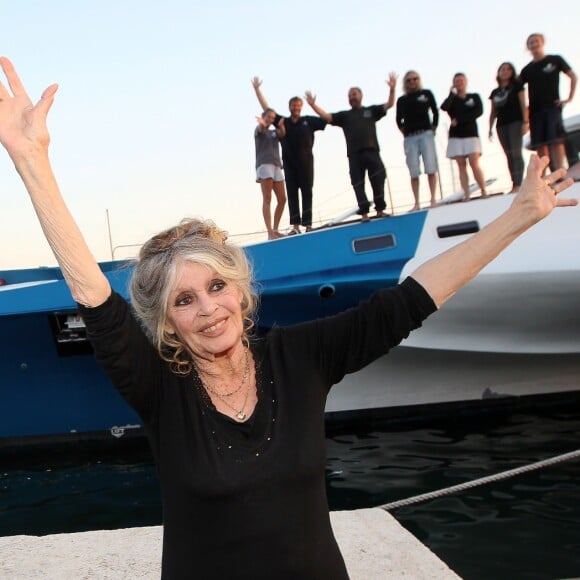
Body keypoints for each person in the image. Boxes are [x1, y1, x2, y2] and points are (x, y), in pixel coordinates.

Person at [0, 57, 576, 579]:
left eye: (217, 286)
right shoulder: (160, 390)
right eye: (184, 300)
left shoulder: (299, 357)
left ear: (241, 291)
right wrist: (32, 163)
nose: (207, 310)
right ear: (166, 322)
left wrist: (518, 216)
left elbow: (411, 300)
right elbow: (96, 300)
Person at [305, 73, 398, 222]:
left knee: (378, 179)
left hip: (372, 151)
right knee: (358, 183)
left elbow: (389, 104)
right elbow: (327, 116)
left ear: (361, 95)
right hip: (354, 155)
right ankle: (364, 213)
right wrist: (313, 105)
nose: (352, 97)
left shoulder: (371, 111)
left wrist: (392, 89)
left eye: (354, 94)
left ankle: (380, 209)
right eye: (350, 95)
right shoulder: (345, 116)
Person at [252, 77, 327, 234]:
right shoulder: (282, 122)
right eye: (293, 105)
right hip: (287, 164)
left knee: (306, 192)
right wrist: (258, 90)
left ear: (301, 107)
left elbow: (326, 120)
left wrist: (313, 105)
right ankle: (294, 226)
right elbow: (267, 111)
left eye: (298, 105)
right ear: (289, 107)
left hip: (305, 162)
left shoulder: (307, 121)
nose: (296, 107)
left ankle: (308, 225)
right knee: (291, 194)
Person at [519, 33, 577, 173]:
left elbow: (573, 76)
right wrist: (524, 116)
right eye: (531, 42)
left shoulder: (555, 60)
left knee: (556, 141)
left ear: (542, 42)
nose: (534, 44)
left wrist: (569, 98)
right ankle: (544, 176)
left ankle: (560, 172)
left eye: (536, 41)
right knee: (540, 144)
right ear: (528, 47)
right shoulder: (527, 70)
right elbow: (517, 90)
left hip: (552, 107)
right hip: (535, 111)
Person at [395, 71, 439, 210]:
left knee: (431, 167)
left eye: (415, 79)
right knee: (414, 170)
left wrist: (433, 128)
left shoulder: (426, 94)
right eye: (409, 80)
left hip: (426, 133)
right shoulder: (402, 100)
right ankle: (417, 203)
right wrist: (404, 132)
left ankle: (433, 199)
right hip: (410, 137)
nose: (412, 82)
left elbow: (435, 111)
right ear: (405, 83)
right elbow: (398, 119)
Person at [441, 73, 488, 201]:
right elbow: (444, 107)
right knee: (461, 165)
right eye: (456, 81)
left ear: (466, 82)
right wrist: (451, 94)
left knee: (474, 162)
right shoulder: (453, 100)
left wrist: (460, 119)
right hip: (456, 136)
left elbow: (478, 111)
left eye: (461, 80)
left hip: (471, 134)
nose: (459, 83)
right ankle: (466, 193)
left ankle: (483, 189)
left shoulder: (474, 97)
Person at [488, 62, 527, 193]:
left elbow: (523, 104)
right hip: (501, 125)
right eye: (502, 69)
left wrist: (526, 122)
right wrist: (490, 128)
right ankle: (513, 183)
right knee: (508, 154)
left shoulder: (517, 86)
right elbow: (493, 111)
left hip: (515, 122)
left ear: (512, 72)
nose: (504, 72)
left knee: (516, 152)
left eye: (507, 69)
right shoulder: (495, 92)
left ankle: (519, 183)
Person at [254, 107, 286, 239]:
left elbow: (282, 134)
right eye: (268, 117)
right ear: (263, 116)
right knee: (267, 198)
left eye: (273, 118)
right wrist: (262, 124)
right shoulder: (259, 130)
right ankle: (269, 232)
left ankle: (275, 229)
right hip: (264, 165)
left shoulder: (274, 132)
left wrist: (281, 125)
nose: (270, 119)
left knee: (282, 199)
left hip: (277, 165)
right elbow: (261, 129)